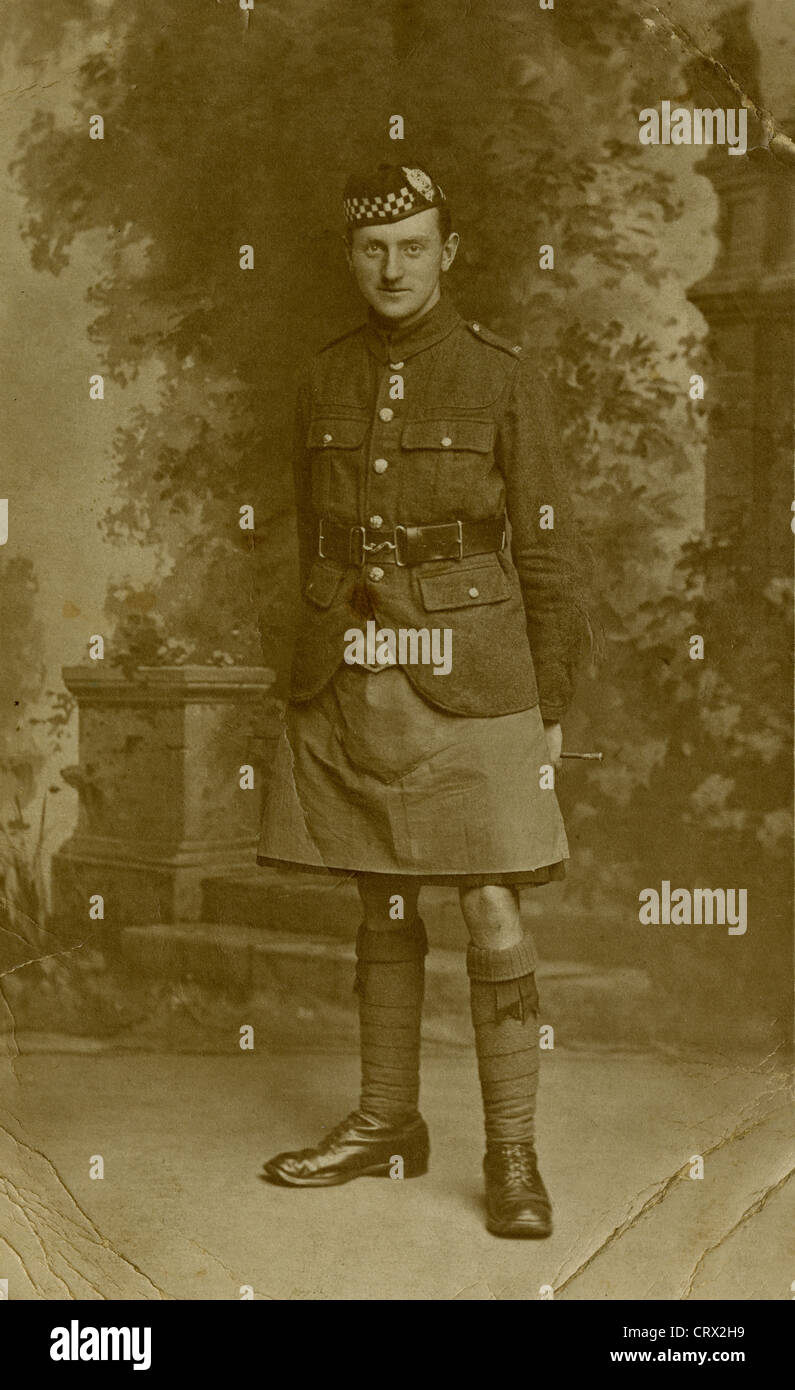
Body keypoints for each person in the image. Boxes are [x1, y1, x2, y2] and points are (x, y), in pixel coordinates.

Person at [257, 161, 590, 1237]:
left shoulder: (503, 376)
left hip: (480, 672)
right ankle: (387, 1121)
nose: (392, 267)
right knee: (382, 899)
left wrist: (552, 703)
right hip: (354, 668)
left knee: (491, 903)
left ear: (450, 251)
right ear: (352, 256)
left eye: (413, 245)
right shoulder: (321, 376)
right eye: (372, 248)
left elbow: (547, 553)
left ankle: (512, 1154)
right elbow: (300, 528)